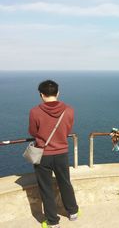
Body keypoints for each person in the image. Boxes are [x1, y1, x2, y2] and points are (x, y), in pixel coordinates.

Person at [29, 80, 79, 228]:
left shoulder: (35, 112)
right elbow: (68, 130)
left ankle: (53, 221)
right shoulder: (69, 110)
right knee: (65, 183)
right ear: (58, 93)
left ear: (41, 95)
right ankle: (73, 212)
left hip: (43, 155)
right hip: (62, 153)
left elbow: (32, 132)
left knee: (46, 188)